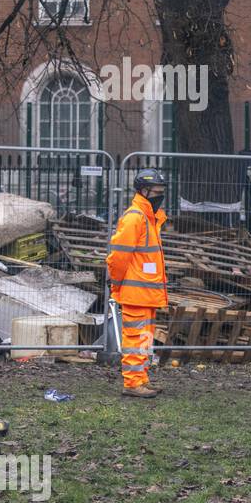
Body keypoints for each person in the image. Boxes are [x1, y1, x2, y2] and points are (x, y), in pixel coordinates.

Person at [106, 169, 169, 398]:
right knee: (135, 339)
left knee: (144, 338)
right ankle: (133, 383)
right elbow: (119, 256)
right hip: (137, 292)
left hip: (145, 292)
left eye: (162, 192)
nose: (160, 196)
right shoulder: (136, 217)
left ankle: (141, 379)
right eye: (157, 192)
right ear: (144, 191)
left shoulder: (148, 217)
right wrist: (116, 284)